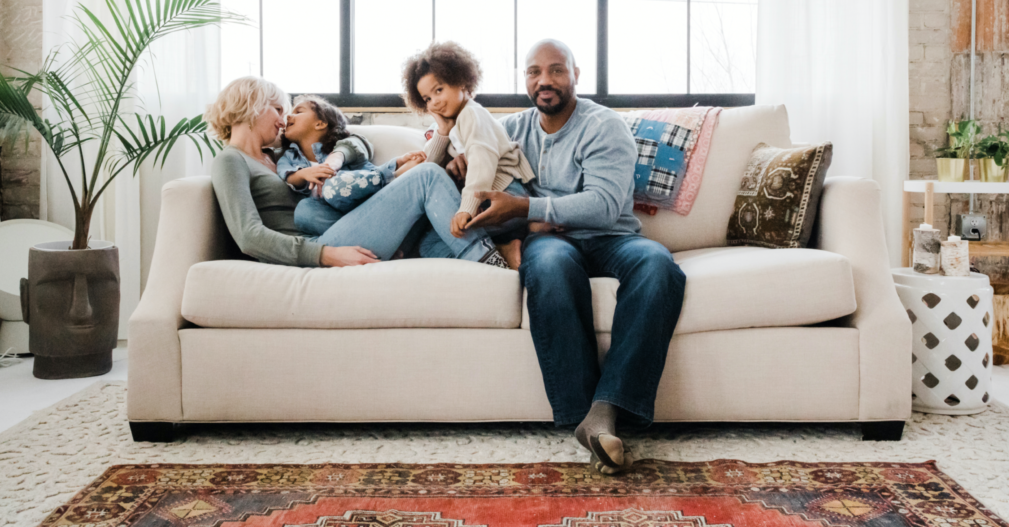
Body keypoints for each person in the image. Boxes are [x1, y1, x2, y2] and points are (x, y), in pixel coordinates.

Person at [450, 39, 687, 474]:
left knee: (658, 265)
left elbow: (603, 204)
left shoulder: (604, 126)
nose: (544, 80)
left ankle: (603, 412)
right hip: (553, 243)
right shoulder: (512, 129)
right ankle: (592, 422)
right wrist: (457, 164)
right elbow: (475, 160)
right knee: (550, 267)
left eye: (556, 70)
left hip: (611, 236)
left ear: (576, 75)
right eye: (533, 72)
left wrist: (527, 209)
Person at [204, 76, 511, 269]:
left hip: (334, 228)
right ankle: (491, 261)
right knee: (427, 176)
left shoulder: (282, 156)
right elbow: (249, 237)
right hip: (320, 245)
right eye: (279, 110)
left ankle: (507, 239)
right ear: (252, 106)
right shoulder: (231, 160)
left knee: (429, 216)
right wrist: (325, 254)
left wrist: (339, 158)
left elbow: (353, 140)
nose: (284, 121)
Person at [401, 42, 535, 265]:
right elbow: (428, 167)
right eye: (427, 99)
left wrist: (467, 209)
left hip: (504, 194)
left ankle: (516, 239)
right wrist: (442, 131)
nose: (435, 102)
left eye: (439, 90)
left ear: (462, 82)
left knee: (430, 245)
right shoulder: (453, 122)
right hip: (487, 195)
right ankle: (505, 245)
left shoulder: (472, 115)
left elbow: (482, 166)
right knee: (428, 245)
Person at [277, 94, 426, 226]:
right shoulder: (289, 157)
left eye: (299, 111)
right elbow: (288, 176)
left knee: (332, 184)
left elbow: (357, 146)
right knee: (304, 212)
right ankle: (370, 238)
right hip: (341, 217)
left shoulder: (345, 143)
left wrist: (334, 161)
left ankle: (391, 176)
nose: (289, 116)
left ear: (320, 123)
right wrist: (303, 174)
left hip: (367, 200)